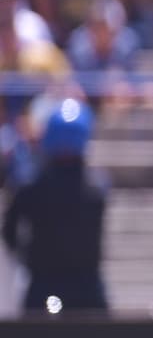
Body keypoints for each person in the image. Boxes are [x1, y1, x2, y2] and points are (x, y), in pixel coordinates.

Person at [3, 99, 108, 313]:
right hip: (85, 288)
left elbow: (9, 232)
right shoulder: (96, 187)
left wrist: (26, 258)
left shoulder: (30, 185)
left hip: (45, 285)